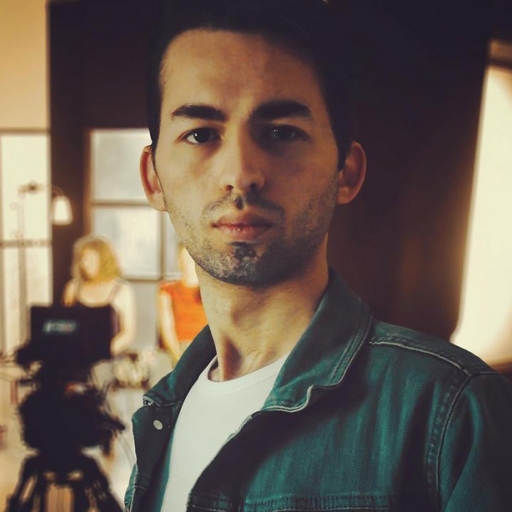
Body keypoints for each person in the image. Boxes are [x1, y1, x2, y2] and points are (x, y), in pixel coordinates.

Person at [125, 0, 512, 511]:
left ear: (346, 171)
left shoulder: (451, 409)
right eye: (200, 134)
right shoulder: (161, 415)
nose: (240, 173)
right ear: (153, 178)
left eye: (281, 132)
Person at [63, 235, 136, 358]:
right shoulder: (73, 288)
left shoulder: (122, 290)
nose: (84, 263)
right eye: (82, 258)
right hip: (77, 358)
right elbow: (65, 327)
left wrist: (102, 352)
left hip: (111, 359)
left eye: (90, 258)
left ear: (103, 260)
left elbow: (127, 334)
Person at [157, 244, 207, 366]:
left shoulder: (210, 291)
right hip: (176, 349)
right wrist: (177, 356)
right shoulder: (167, 290)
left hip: (204, 349)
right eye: (181, 259)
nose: (185, 264)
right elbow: (167, 328)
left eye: (190, 259)